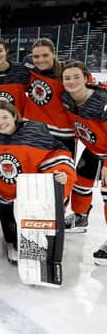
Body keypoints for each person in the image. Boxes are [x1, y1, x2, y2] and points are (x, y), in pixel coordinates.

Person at [0, 101, 76, 263]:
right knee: (9, 214)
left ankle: (39, 240)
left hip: (31, 192)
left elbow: (57, 152)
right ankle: (12, 242)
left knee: (34, 218)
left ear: (15, 116)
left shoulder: (34, 131)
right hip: (6, 192)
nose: (1, 122)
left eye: (5, 117)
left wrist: (63, 173)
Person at [61, 61, 107, 265]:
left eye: (76, 77)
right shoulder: (66, 99)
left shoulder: (101, 102)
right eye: (67, 77)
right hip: (94, 148)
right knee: (79, 184)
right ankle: (81, 217)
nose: (71, 82)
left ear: (87, 77)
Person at [23, 38, 75, 151]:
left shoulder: (66, 74)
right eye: (36, 56)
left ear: (53, 54)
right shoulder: (29, 69)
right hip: (33, 132)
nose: (40, 60)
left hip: (62, 136)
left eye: (45, 55)